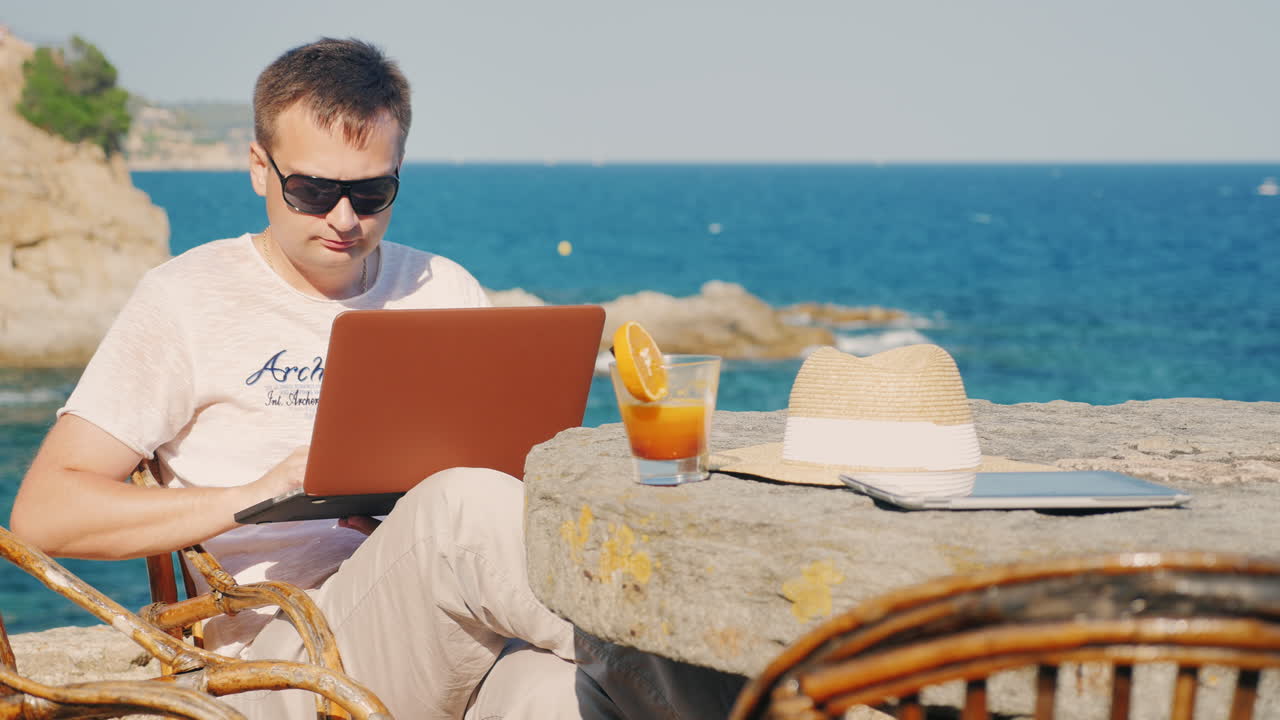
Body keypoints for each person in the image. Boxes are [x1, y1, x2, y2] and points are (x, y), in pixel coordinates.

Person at [10, 37, 742, 719]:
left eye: (371, 194)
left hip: (460, 632)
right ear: (259, 167)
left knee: (561, 696)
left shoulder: (443, 287)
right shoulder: (185, 299)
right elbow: (47, 514)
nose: (342, 219)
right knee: (457, 506)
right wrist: (256, 494)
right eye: (312, 190)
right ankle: (739, 690)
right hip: (289, 662)